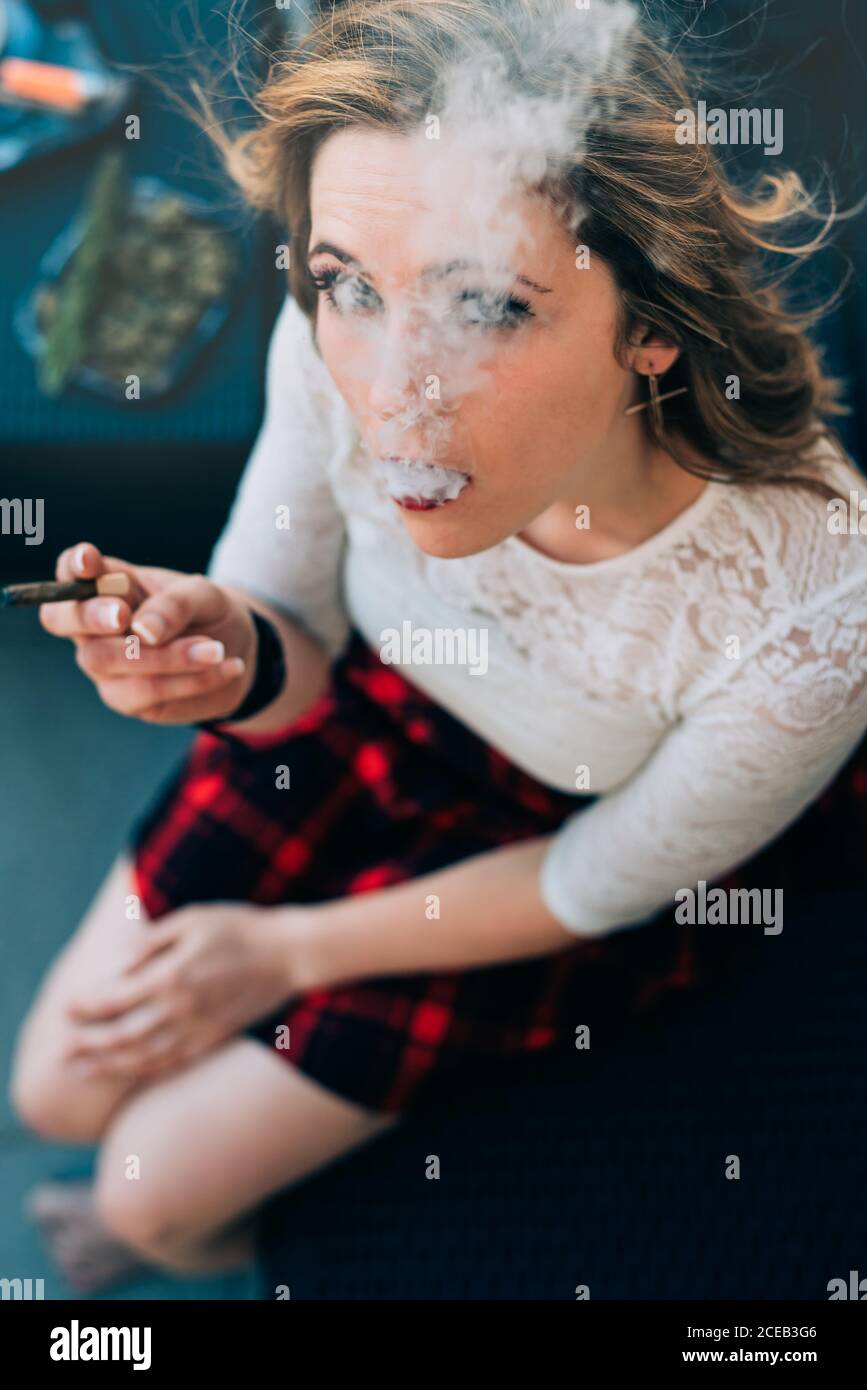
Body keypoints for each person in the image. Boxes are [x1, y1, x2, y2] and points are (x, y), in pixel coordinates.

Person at [10, 0, 867, 1292]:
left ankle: (216, 1229)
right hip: (360, 722)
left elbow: (590, 885)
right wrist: (224, 659)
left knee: (144, 1187)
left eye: (491, 305)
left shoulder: (822, 610)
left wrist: (282, 956)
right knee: (56, 1092)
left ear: (650, 316)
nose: (395, 397)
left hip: (539, 855)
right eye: (347, 280)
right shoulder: (333, 332)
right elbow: (286, 631)